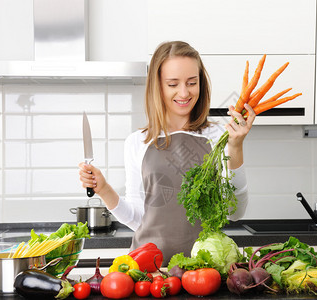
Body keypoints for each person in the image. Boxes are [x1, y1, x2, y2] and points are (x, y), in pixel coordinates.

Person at [78, 41, 256, 263]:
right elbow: (138, 218)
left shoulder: (220, 136)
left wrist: (236, 147)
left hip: (203, 270)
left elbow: (234, 212)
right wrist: (103, 189)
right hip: (149, 270)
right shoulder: (137, 142)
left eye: (192, 82)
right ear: (158, 86)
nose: (184, 92)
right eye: (173, 84)